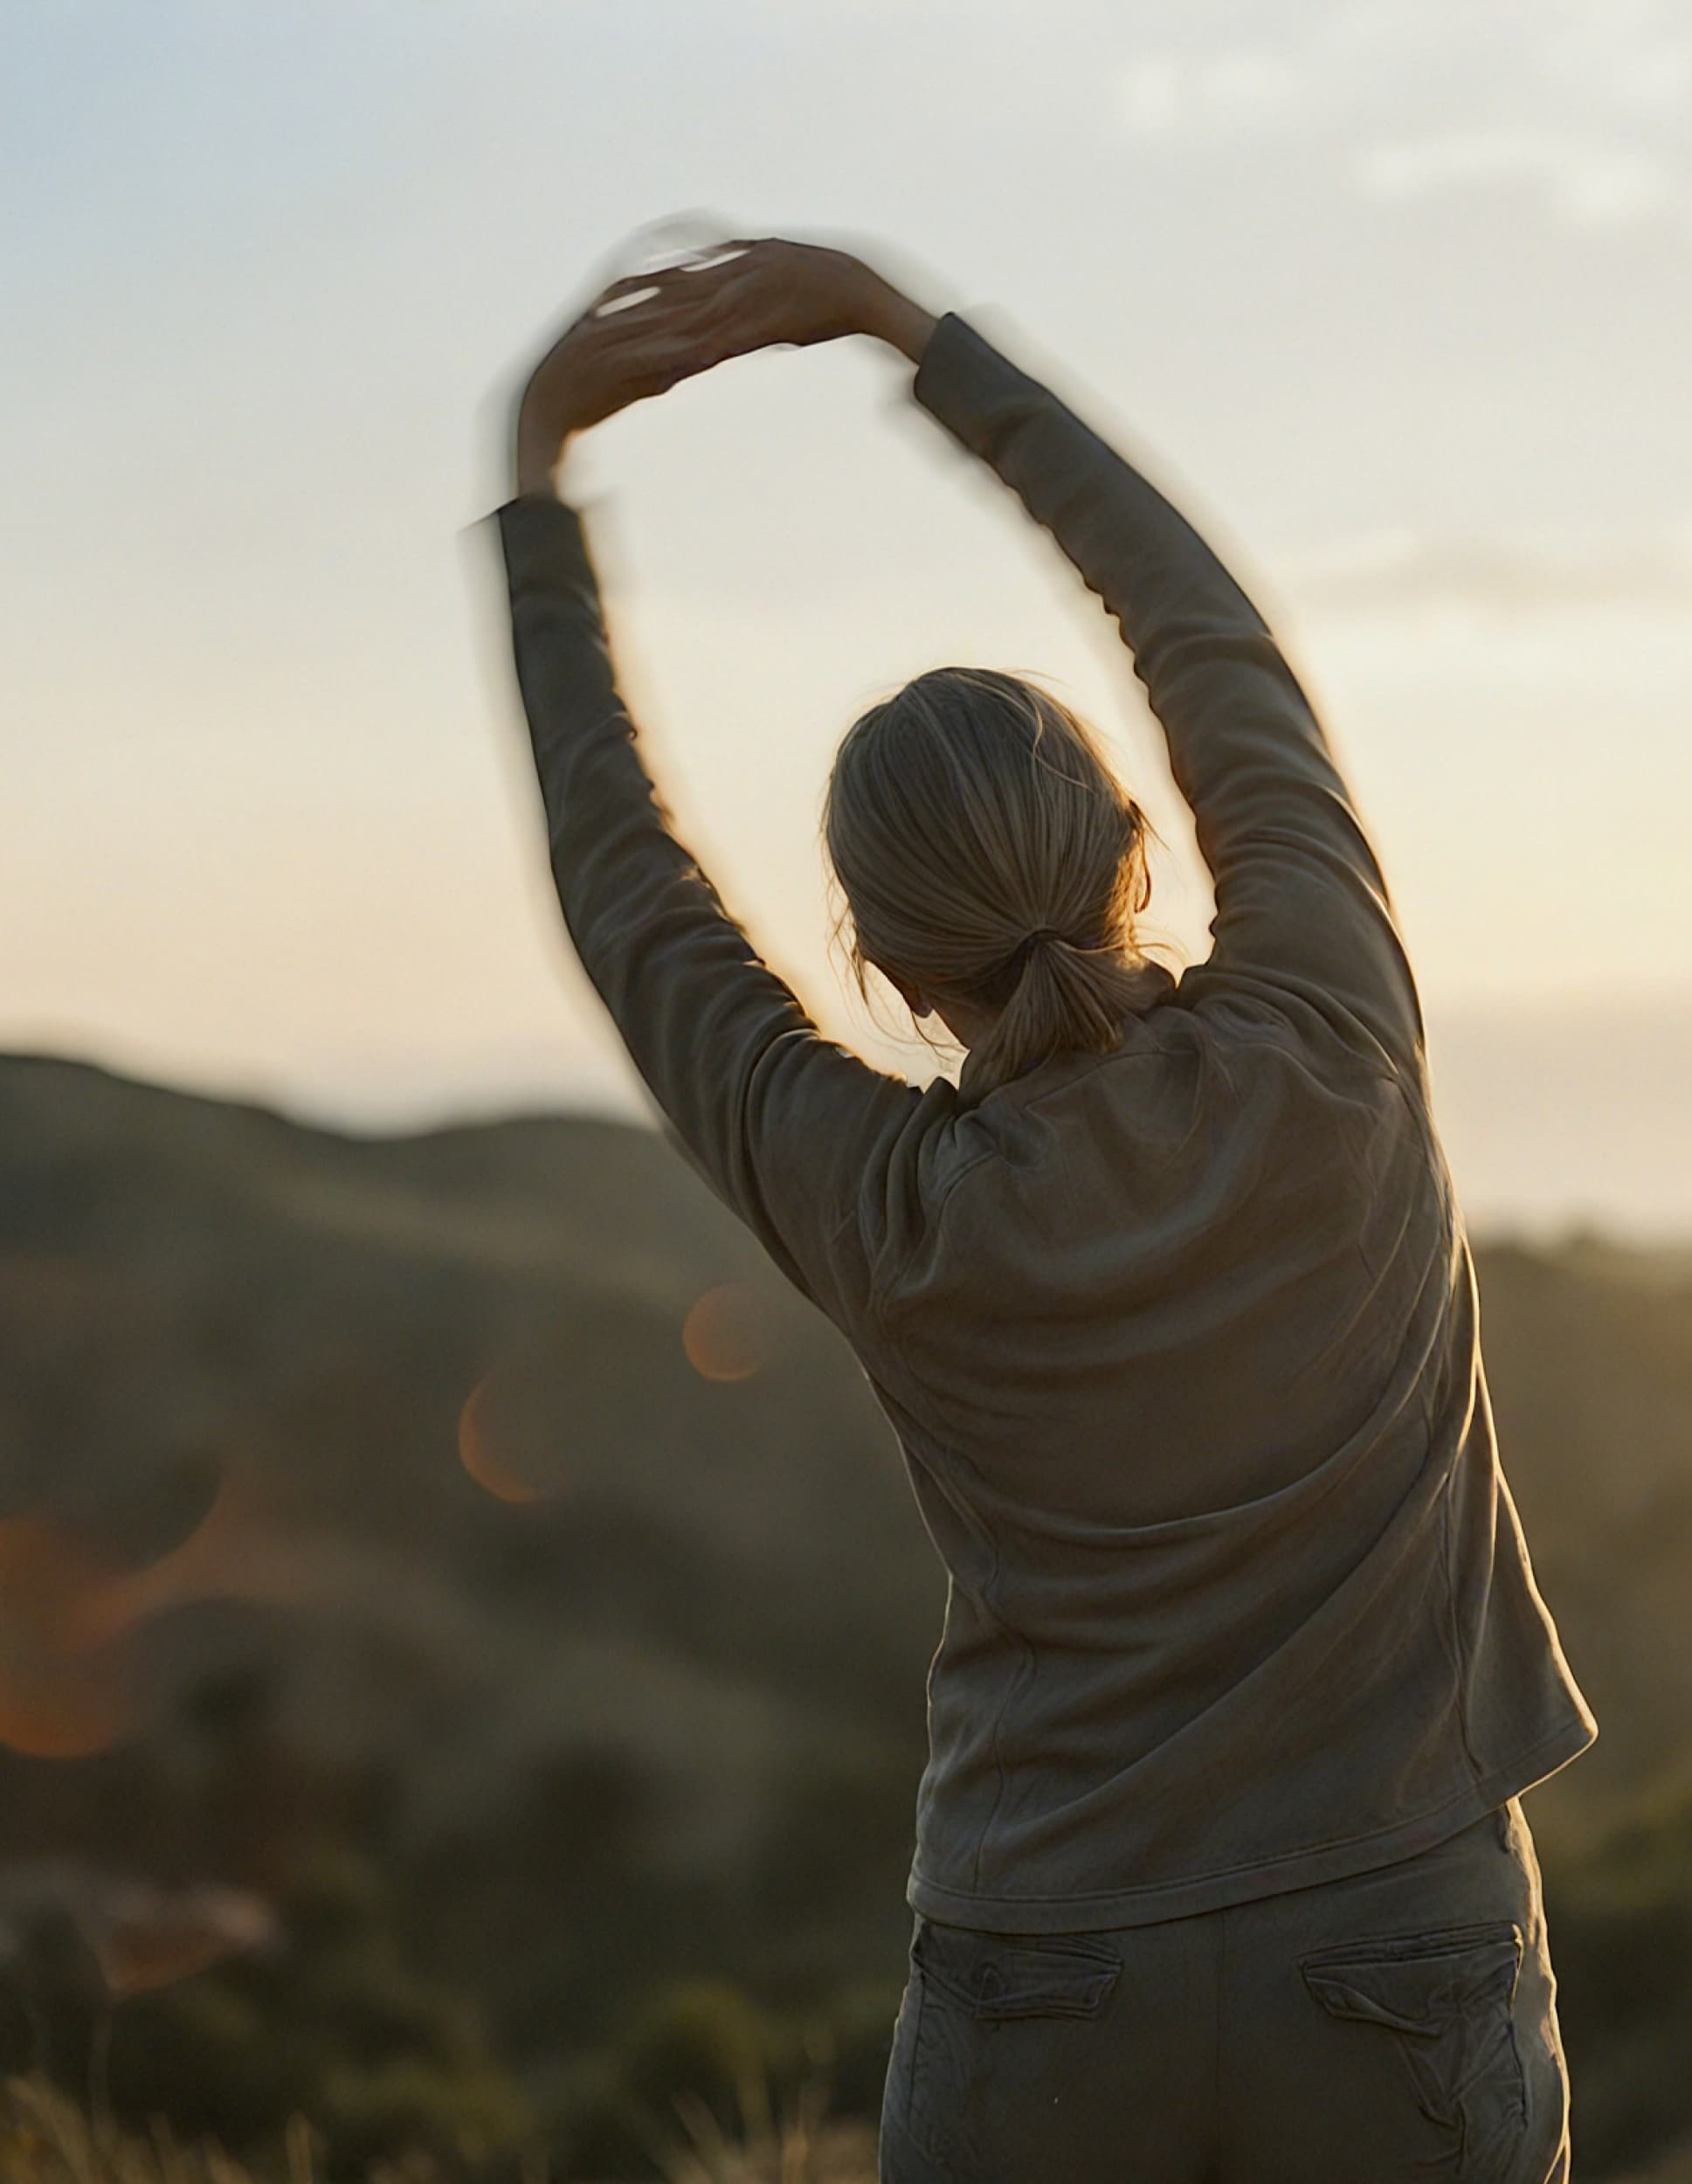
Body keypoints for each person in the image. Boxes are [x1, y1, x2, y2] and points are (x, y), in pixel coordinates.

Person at [491, 232, 1598, 2184]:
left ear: (886, 970)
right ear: (1137, 846)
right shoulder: (1331, 1032)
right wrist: (911, 335)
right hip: (1398, 1936)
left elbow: (627, 890)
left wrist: (538, 484)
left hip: (1043, 1965)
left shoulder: (883, 1204)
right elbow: (1202, 631)